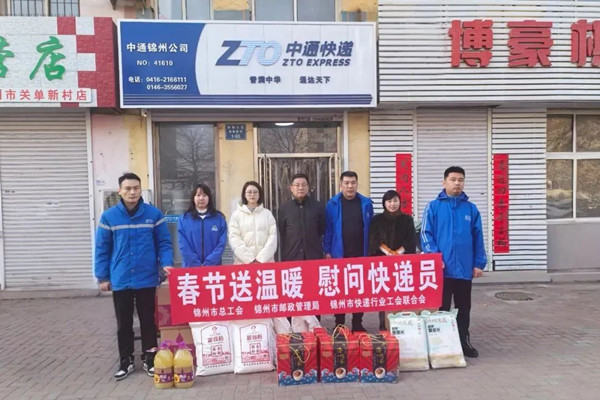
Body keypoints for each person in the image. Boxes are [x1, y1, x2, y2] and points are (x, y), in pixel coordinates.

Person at [94, 172, 173, 380]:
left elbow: (164, 243)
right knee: (124, 323)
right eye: (128, 188)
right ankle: (126, 360)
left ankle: (150, 359)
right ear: (119, 191)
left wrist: (166, 263)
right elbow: (102, 248)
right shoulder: (109, 217)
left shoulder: (153, 214)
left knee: (148, 321)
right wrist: (102, 277)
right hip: (121, 278)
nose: (132, 192)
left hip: (147, 277)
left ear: (140, 190)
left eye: (136, 188)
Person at [420, 166, 487, 358]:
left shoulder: (471, 209)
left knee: (463, 308)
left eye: (460, 180)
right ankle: (439, 344)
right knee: (441, 308)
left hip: (464, 269)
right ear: (444, 182)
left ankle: (463, 341)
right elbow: (425, 234)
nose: (457, 183)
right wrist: (435, 257)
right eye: (453, 179)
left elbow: (478, 237)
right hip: (442, 269)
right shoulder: (433, 207)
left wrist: (478, 263)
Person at [323, 171, 374, 332]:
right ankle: (339, 323)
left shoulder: (366, 203)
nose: (350, 186)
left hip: (361, 253)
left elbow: (371, 229)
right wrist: (327, 250)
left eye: (353, 183)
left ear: (357, 184)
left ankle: (357, 322)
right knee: (340, 290)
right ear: (341, 185)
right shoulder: (332, 204)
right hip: (339, 253)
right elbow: (328, 229)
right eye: (346, 183)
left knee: (359, 290)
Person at [369, 190, 416, 331]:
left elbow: (410, 240)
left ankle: (401, 324)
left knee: (401, 293)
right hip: (383, 263)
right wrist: (388, 252)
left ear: (400, 202)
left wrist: (398, 252)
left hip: (402, 264)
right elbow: (374, 239)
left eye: (395, 201)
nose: (392, 204)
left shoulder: (407, 220)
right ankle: (383, 325)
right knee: (384, 293)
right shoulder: (377, 220)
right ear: (384, 203)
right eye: (389, 201)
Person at [278, 173, 325, 262]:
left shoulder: (318, 207)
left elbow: (321, 230)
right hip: (292, 256)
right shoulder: (284, 209)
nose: (300, 188)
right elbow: (283, 232)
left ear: (308, 187)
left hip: (313, 256)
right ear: (291, 188)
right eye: (297, 185)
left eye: (304, 185)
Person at [177, 183, 227, 267]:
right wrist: (195, 263)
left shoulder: (219, 219)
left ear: (209, 198)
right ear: (193, 198)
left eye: (204, 195)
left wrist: (209, 262)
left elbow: (221, 244)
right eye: (198, 195)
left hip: (213, 267)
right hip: (190, 268)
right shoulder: (184, 219)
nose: (201, 198)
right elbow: (183, 245)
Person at [228, 181, 277, 264]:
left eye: (255, 192)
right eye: (249, 192)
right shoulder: (236, 215)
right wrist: (250, 259)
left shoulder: (267, 214)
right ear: (244, 194)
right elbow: (234, 239)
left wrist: (260, 259)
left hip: (265, 263)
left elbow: (273, 237)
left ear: (259, 194)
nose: (252, 194)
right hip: (243, 263)